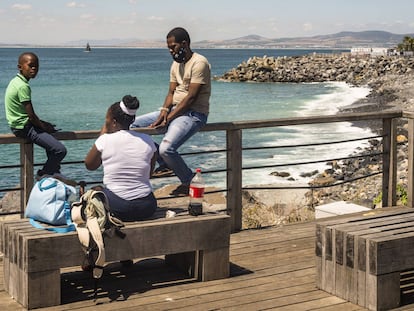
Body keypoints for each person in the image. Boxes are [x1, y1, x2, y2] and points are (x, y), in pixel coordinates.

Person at [131, 27, 211, 196]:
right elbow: (171, 92)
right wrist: (164, 112)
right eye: (168, 47)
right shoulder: (176, 64)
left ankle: (188, 180)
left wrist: (168, 118)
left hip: (193, 113)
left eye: (173, 46)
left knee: (167, 149)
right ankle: (165, 163)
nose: (170, 50)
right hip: (175, 110)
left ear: (184, 44)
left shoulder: (199, 63)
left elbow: (191, 98)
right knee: (132, 126)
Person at [84, 95, 158, 222]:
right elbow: (148, 174)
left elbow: (90, 165)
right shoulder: (148, 140)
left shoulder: (105, 140)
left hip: (118, 207)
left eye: (106, 119)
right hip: (147, 206)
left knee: (95, 190)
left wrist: (104, 133)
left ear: (113, 122)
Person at [4, 52, 69, 181]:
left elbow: (28, 114)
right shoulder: (23, 86)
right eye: (30, 65)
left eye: (36, 66)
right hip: (24, 128)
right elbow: (31, 116)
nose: (34, 68)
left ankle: (54, 171)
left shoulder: (15, 81)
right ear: (20, 67)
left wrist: (44, 125)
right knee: (60, 150)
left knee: (51, 137)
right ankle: (43, 173)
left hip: (19, 125)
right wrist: (44, 127)